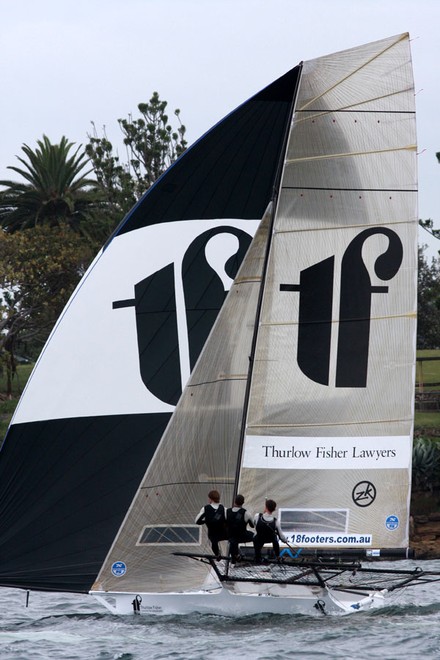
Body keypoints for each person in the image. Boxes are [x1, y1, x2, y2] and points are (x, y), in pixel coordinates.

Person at [253, 499, 288, 563]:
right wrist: (285, 540)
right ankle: (278, 556)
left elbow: (255, 525)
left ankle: (257, 556)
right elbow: (281, 537)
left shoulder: (257, 516)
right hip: (270, 539)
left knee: (256, 537)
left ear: (265, 507)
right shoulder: (275, 521)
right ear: (274, 510)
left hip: (260, 539)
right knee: (275, 538)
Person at [195, 490, 227, 558]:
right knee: (233, 539)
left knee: (213, 543)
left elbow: (197, 521)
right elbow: (228, 520)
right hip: (224, 533)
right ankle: (236, 554)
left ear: (210, 499)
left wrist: (206, 521)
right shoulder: (224, 508)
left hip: (213, 535)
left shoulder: (205, 508)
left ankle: (217, 555)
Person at [226, 494, 255, 563]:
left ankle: (235, 556)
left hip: (231, 537)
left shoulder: (227, 511)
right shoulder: (246, 513)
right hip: (242, 536)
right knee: (255, 537)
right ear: (243, 503)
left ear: (234, 502)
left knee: (233, 540)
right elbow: (252, 525)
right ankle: (257, 556)